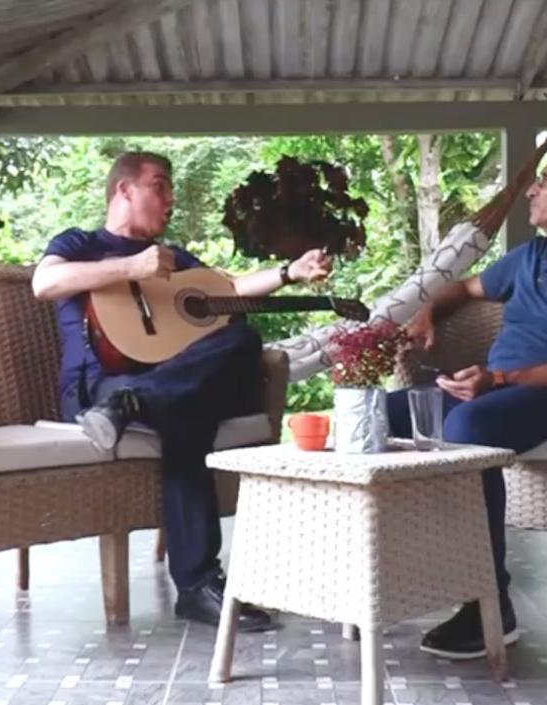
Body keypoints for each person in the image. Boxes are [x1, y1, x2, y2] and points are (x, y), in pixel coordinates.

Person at [32, 151, 331, 632]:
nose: (169, 199)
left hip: (156, 388)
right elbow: (44, 282)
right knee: (190, 419)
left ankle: (138, 405)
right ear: (124, 191)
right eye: (159, 186)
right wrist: (130, 268)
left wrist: (288, 273)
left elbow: (230, 288)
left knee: (241, 338)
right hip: (98, 387)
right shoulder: (80, 243)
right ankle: (196, 587)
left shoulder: (176, 261)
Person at [394, 144, 547, 660]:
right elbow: (463, 287)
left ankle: (489, 600)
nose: (531, 190)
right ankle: (398, 572)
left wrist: (501, 377)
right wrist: (426, 312)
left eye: (544, 180)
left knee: (466, 430)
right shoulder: (531, 255)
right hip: (489, 390)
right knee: (378, 415)